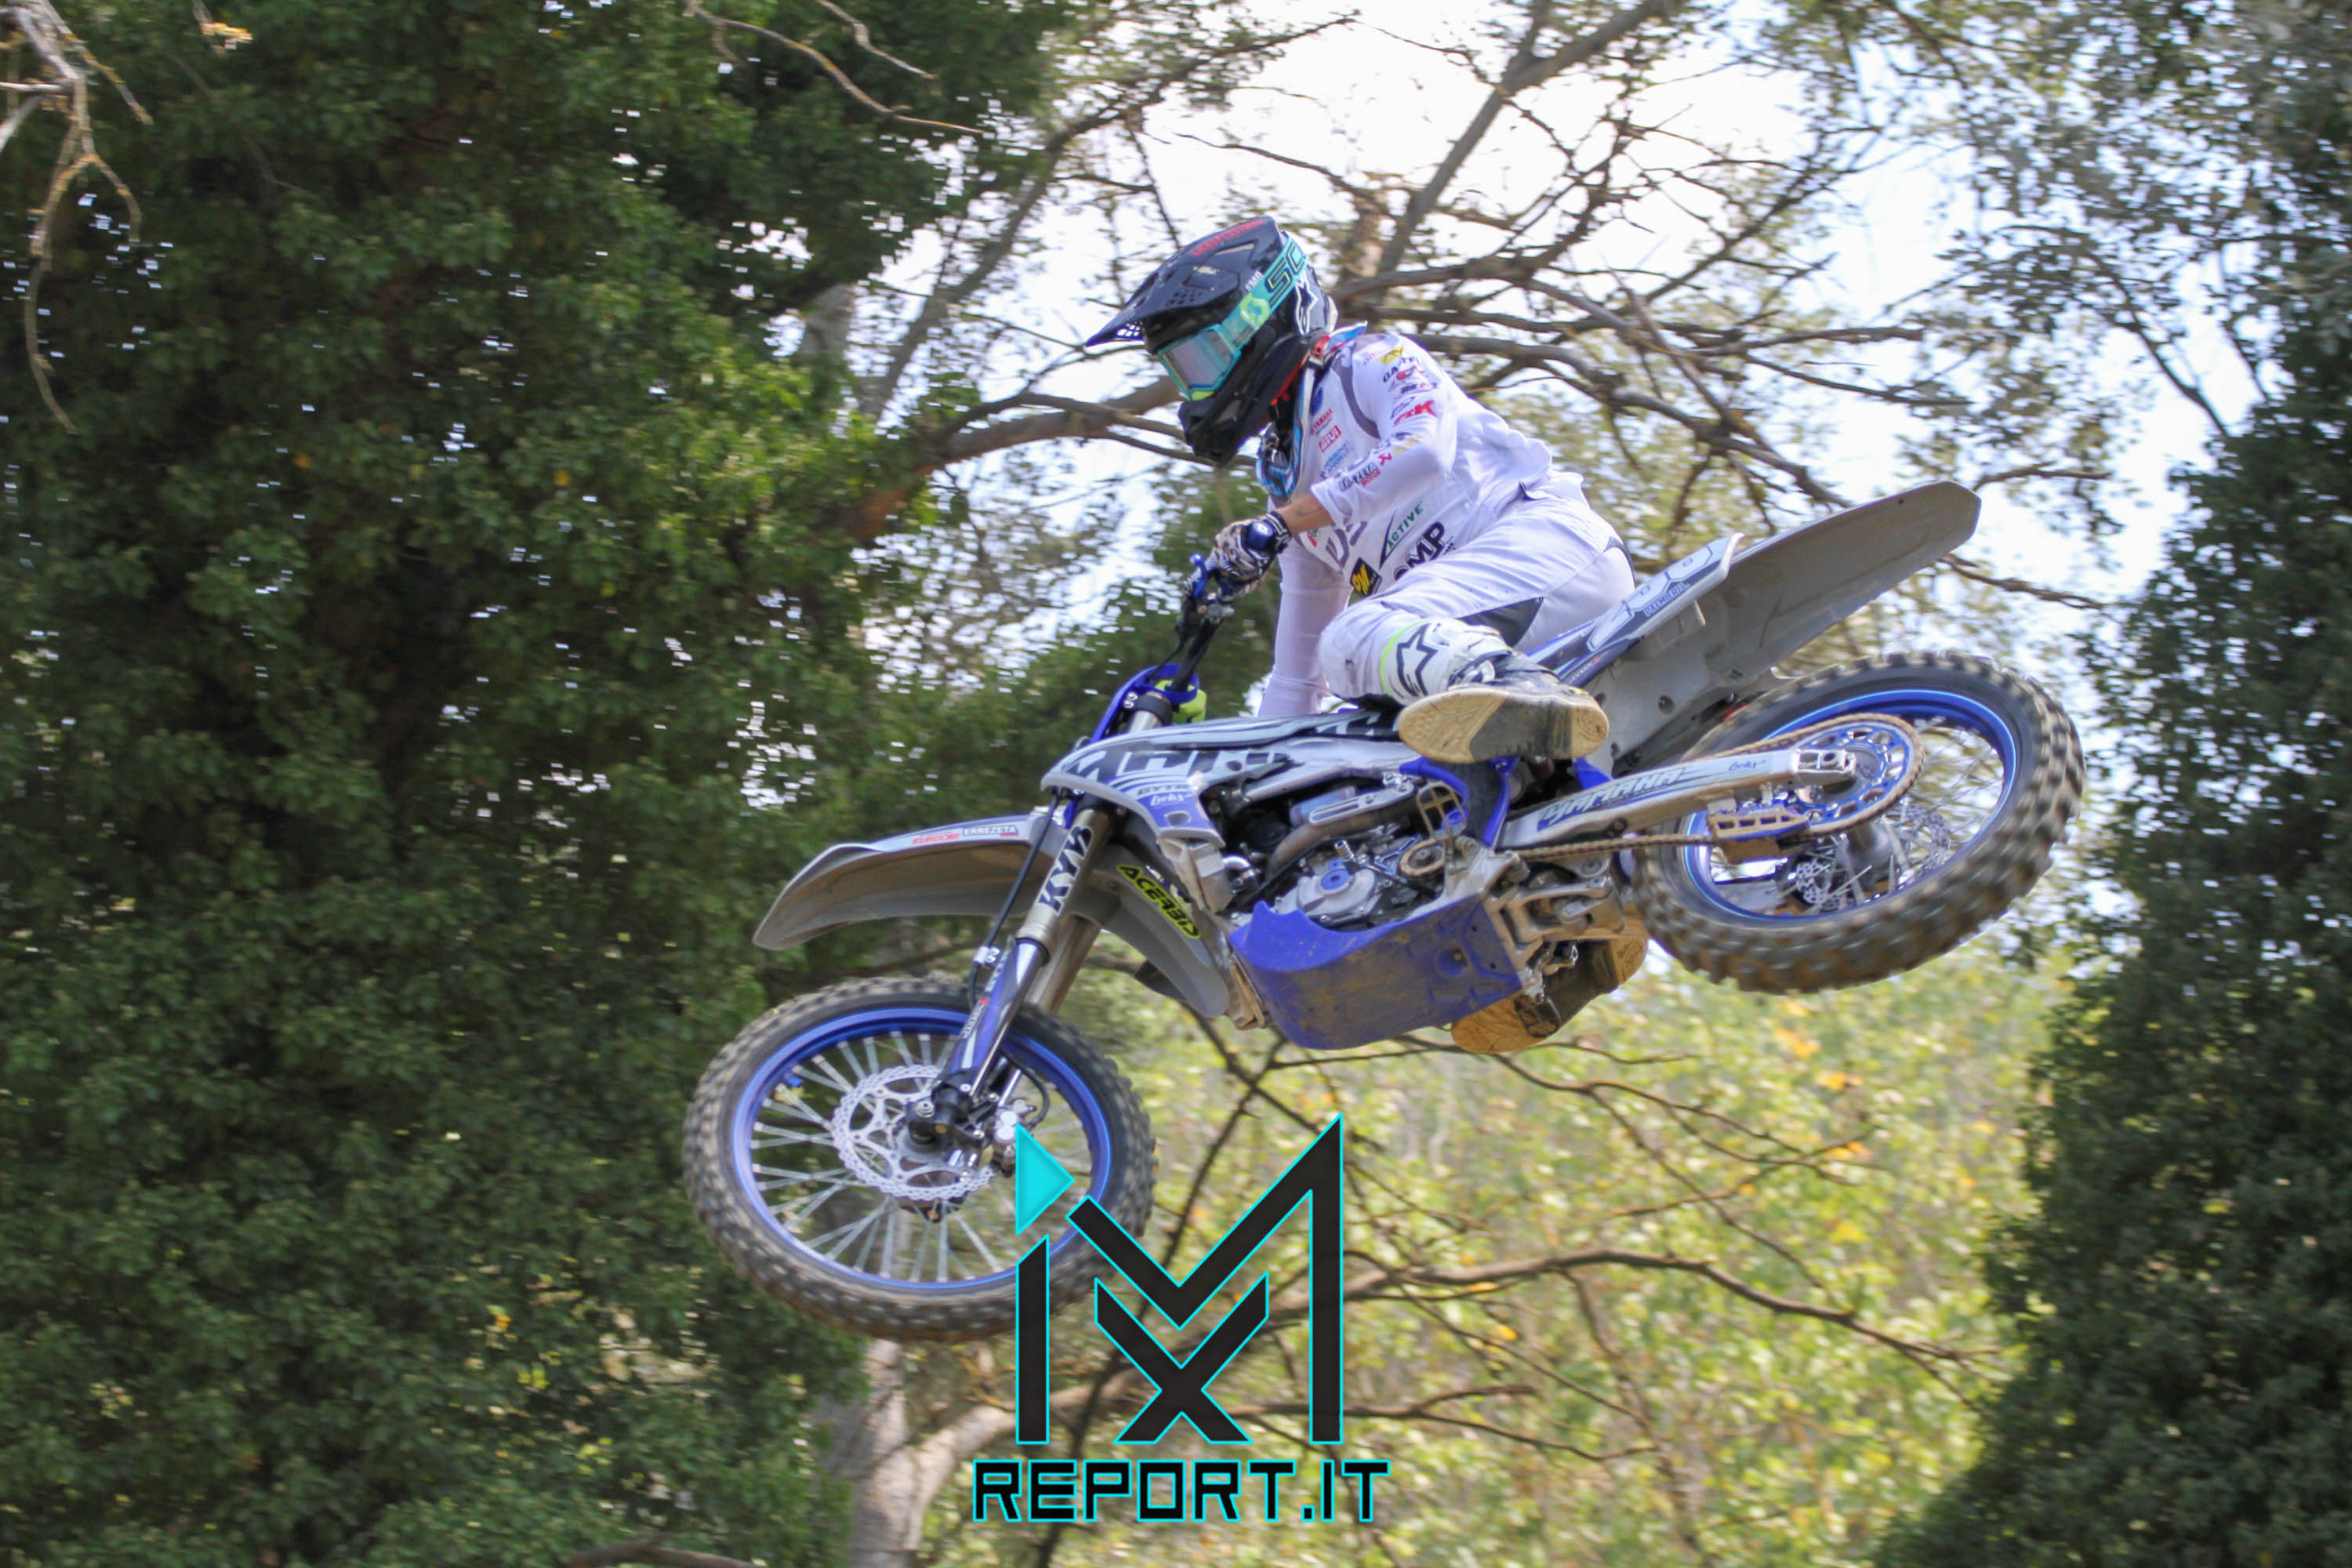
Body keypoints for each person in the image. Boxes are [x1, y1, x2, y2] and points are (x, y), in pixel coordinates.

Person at [1086, 216, 1646, 1047]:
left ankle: (1521, 694)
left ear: (1261, 316)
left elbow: (1425, 451)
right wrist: (1254, 801)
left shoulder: (1366, 361)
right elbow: (1295, 680)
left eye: (1199, 359)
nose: (1192, 388)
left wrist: (1284, 523)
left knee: (1358, 639)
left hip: (1544, 551)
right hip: (1488, 617)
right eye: (1180, 371)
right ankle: (1571, 929)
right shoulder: (1289, 471)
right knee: (1367, 747)